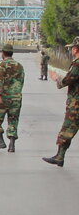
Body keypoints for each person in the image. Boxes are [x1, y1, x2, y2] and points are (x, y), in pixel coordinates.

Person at [43, 37, 79, 167]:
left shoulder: (77, 63)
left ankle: (59, 156)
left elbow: (69, 79)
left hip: (76, 105)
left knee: (67, 129)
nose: (70, 51)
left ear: (76, 49)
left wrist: (57, 79)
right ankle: (60, 156)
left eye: (72, 48)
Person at [0, 44, 24, 153]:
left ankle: (0, 141)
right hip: (16, 97)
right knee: (13, 120)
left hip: (4, 96)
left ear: (3, 53)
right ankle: (12, 145)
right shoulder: (19, 65)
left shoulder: (2, 64)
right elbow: (21, 81)